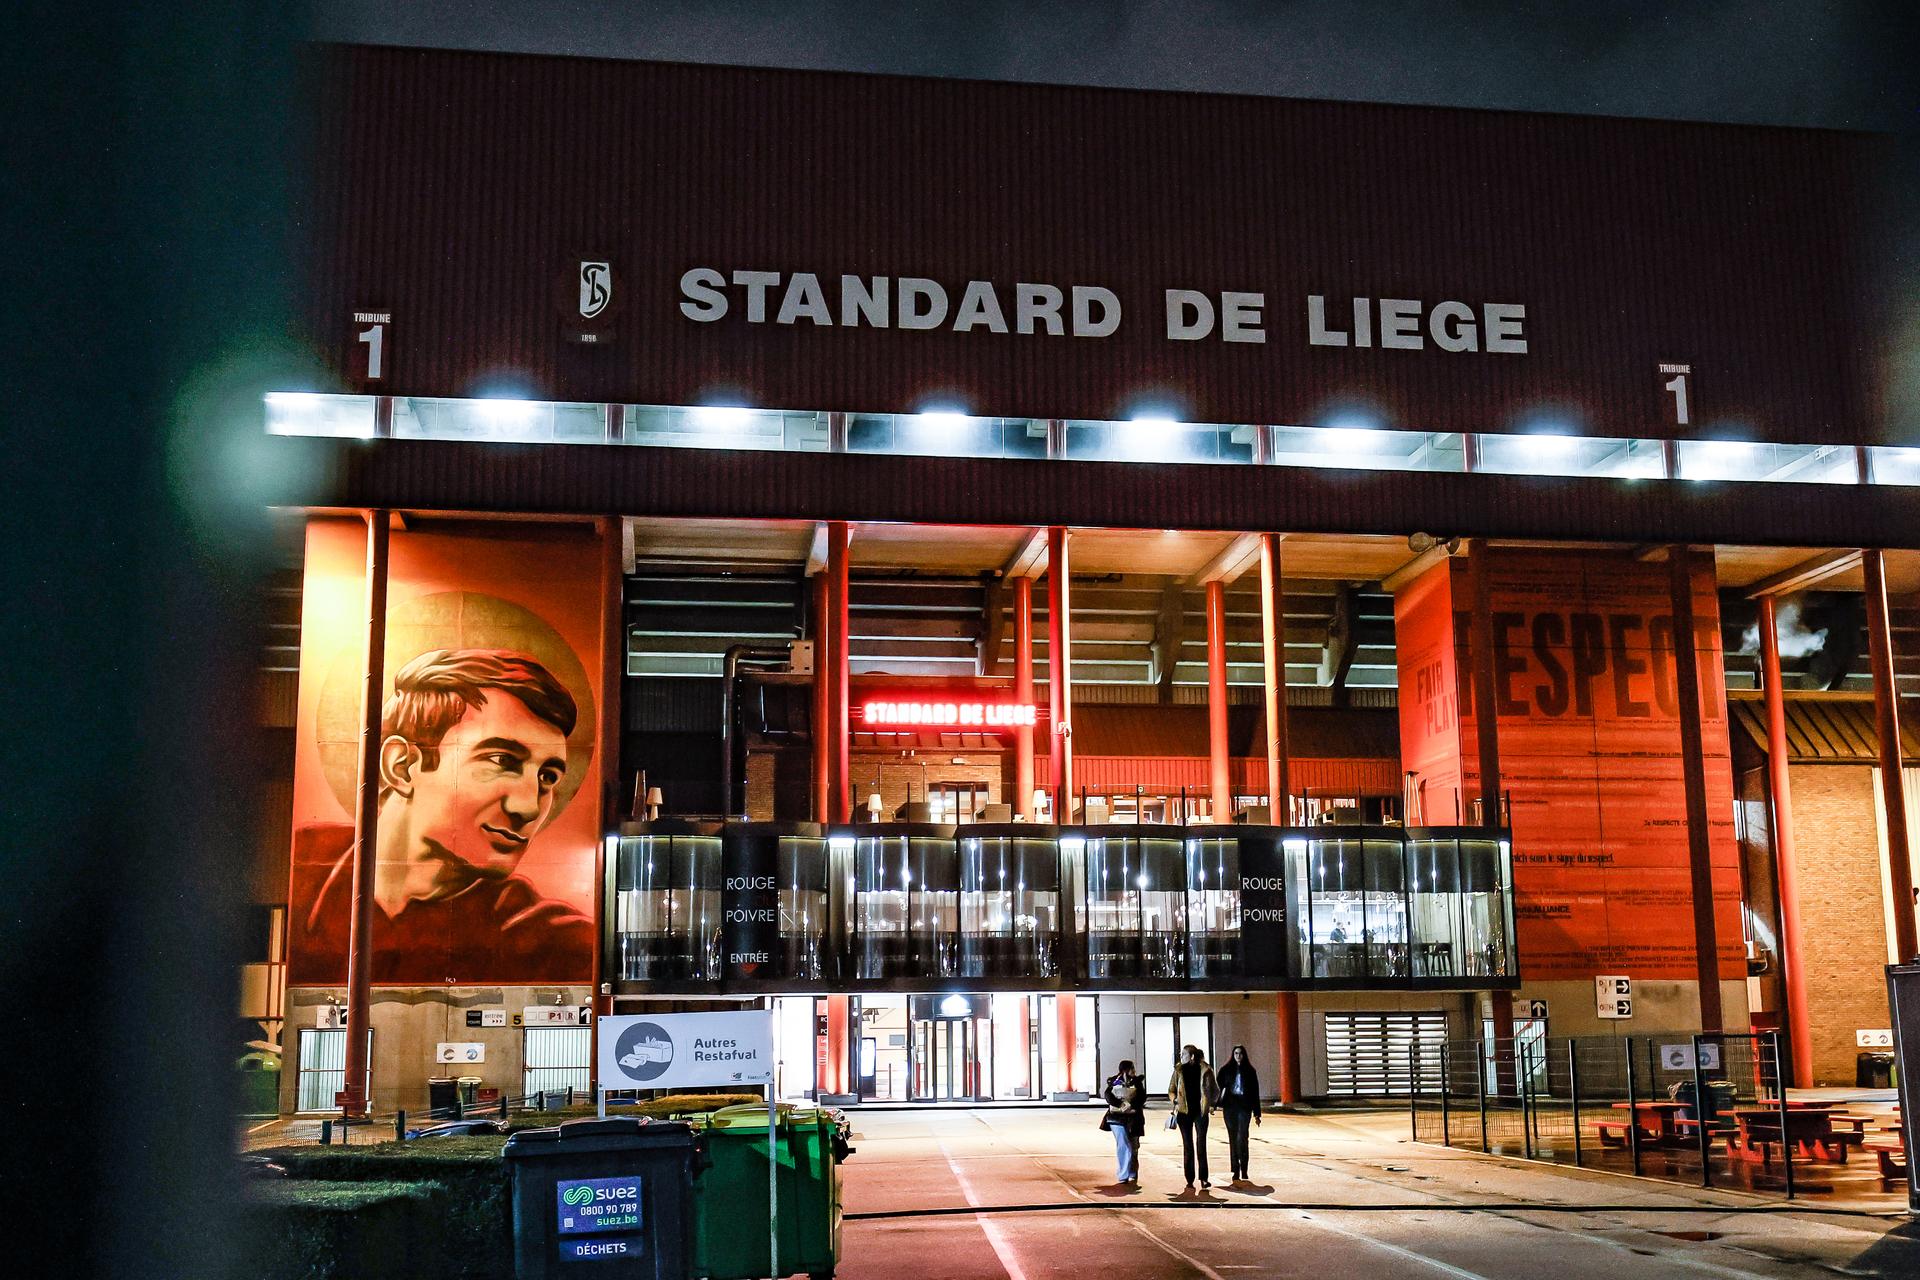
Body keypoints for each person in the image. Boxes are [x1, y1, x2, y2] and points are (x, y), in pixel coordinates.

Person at [290, 649, 595, 983]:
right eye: (502, 760)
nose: (529, 807)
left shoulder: (556, 944)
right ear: (402, 767)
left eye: (547, 777)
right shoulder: (307, 864)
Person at [1167, 1044, 1220, 1191]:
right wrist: (1174, 1100)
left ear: (1191, 1056)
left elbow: (1215, 1090)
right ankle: (1189, 1178)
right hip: (1184, 1113)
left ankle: (1203, 1178)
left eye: (1183, 1054)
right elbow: (1171, 1089)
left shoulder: (1206, 1070)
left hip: (1200, 1112)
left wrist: (1211, 1104)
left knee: (1201, 1145)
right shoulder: (1178, 1070)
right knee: (1188, 1146)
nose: (1181, 1056)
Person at [1217, 1045, 1262, 1180]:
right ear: (1233, 1055)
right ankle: (1235, 1168)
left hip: (1244, 1106)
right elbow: (1216, 1088)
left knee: (1242, 1137)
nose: (1238, 1056)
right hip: (1230, 1107)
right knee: (1232, 1138)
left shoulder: (1250, 1071)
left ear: (1244, 1055)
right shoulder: (1225, 1070)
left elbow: (1255, 1093)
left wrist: (1257, 1113)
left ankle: (1244, 1168)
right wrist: (1213, 1104)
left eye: (1241, 1053)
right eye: (1236, 1053)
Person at [1101, 1059, 1147, 1186]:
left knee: (1134, 1147)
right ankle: (1123, 1174)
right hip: (1116, 1118)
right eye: (1132, 1068)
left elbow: (1142, 1097)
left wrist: (1131, 1105)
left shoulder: (1137, 1082)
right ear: (1125, 1070)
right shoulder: (1114, 1081)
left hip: (1134, 1118)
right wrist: (1120, 1104)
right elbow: (1108, 1095)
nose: (1134, 1071)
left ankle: (1132, 1171)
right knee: (1123, 1144)